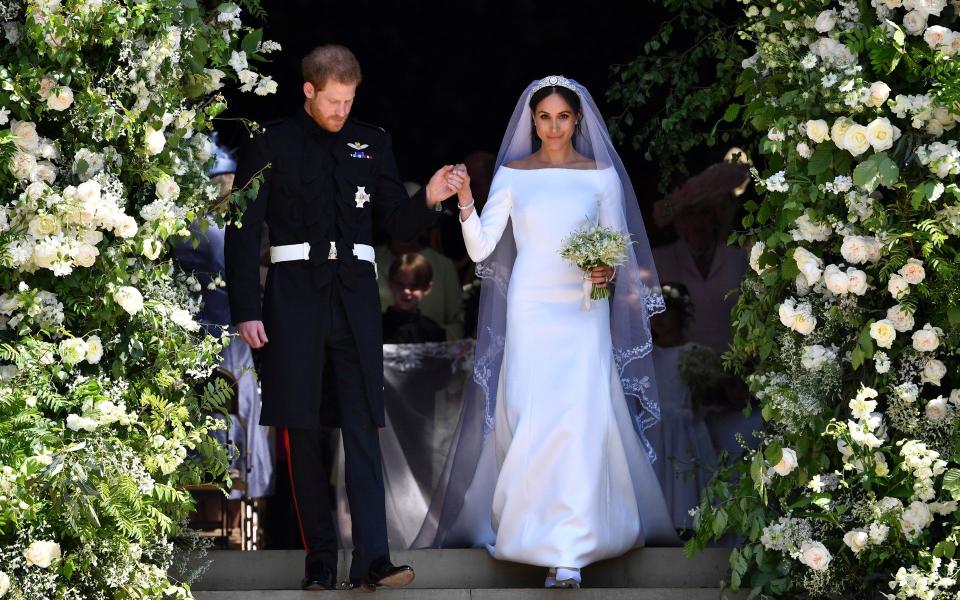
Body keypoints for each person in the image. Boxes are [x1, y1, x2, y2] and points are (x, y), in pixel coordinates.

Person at [224, 45, 464, 591]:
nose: (341, 110)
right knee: (303, 432)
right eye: (332, 101)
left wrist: (428, 195)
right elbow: (242, 233)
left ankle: (373, 560)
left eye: (349, 100)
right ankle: (319, 563)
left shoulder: (372, 142)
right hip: (291, 301)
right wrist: (246, 310)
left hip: (354, 301)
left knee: (363, 428)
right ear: (308, 91)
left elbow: (395, 219)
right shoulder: (271, 142)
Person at [428, 76, 677, 589]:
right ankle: (533, 533)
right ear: (532, 121)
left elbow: (616, 250)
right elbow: (480, 251)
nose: (554, 126)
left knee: (579, 419)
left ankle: (569, 551)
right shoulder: (514, 175)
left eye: (563, 116)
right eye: (545, 117)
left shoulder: (601, 176)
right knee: (530, 413)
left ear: (578, 120)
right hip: (531, 307)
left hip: (584, 312)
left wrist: (604, 276)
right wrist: (468, 200)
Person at [648, 283, 717, 531]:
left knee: (683, 474)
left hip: (683, 427)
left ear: (681, 316)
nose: (660, 319)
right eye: (656, 313)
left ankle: (686, 524)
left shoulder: (693, 354)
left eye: (667, 312)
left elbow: (708, 396)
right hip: (654, 428)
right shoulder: (646, 356)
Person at [382, 253, 446, 344]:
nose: (406, 291)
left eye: (414, 286)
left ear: (427, 288)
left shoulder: (433, 332)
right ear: (390, 284)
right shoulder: (375, 326)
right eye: (400, 285)